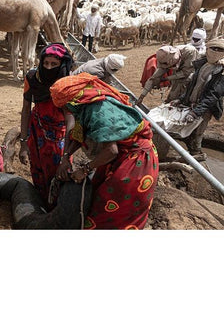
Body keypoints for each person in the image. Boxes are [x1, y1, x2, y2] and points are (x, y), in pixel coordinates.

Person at [50, 73, 159, 229]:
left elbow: (111, 150)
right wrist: (66, 157)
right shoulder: (87, 104)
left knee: (112, 211)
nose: (64, 111)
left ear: (71, 102)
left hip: (136, 162)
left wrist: (85, 169)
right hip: (121, 157)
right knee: (99, 198)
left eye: (63, 107)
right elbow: (79, 135)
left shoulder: (98, 111)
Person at [18, 43, 74, 208]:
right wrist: (23, 142)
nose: (48, 67)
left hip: (59, 137)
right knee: (38, 169)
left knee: (60, 173)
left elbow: (70, 119)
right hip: (37, 131)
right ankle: (42, 206)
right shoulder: (32, 78)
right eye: (46, 63)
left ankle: (58, 209)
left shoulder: (66, 85)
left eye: (54, 64)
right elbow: (26, 109)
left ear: (62, 66)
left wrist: (67, 153)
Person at [169, 38, 224, 156]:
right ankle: (188, 156)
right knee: (187, 130)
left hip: (205, 108)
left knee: (198, 134)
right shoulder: (203, 64)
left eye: (219, 50)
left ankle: (196, 159)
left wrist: (196, 112)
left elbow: (213, 95)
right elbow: (192, 86)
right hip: (192, 104)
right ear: (207, 49)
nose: (215, 52)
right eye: (213, 48)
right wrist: (181, 99)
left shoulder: (221, 72)